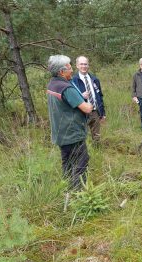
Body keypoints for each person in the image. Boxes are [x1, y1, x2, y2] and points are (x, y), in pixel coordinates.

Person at [46, 55, 93, 190]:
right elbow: (86, 108)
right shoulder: (66, 88)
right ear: (61, 71)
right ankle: (79, 194)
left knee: (67, 163)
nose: (72, 70)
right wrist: (89, 104)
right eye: (69, 67)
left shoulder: (52, 84)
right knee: (81, 163)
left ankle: (67, 190)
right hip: (72, 134)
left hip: (60, 134)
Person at [71, 56, 106, 143]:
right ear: (77, 65)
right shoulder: (73, 81)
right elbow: (70, 99)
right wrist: (80, 96)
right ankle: (82, 154)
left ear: (88, 65)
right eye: (81, 64)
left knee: (96, 136)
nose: (84, 66)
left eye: (85, 64)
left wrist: (102, 113)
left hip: (94, 112)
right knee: (81, 136)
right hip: (81, 113)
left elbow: (100, 96)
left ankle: (97, 152)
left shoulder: (94, 79)